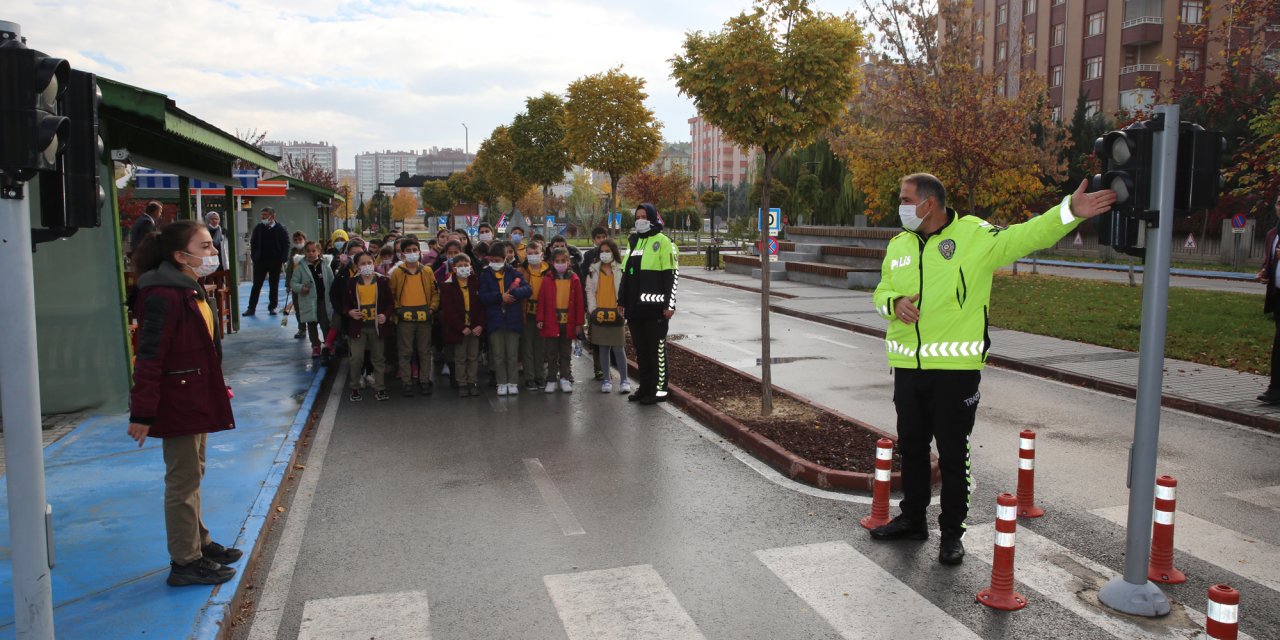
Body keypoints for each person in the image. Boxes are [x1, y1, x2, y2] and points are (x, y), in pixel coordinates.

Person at [869, 173, 1117, 565]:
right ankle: (913, 519)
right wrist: (894, 301)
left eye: (904, 198)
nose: (898, 205)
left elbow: (1027, 235)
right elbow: (880, 290)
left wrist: (1070, 211)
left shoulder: (974, 236)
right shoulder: (898, 244)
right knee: (913, 448)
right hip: (907, 367)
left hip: (955, 370)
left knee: (953, 454)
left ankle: (952, 533)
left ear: (929, 203)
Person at [126, 220, 241, 587]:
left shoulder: (188, 289)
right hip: (179, 401)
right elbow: (149, 356)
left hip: (194, 395)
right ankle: (185, 560)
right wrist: (142, 411)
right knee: (182, 482)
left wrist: (215, 387)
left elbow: (200, 350)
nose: (213, 253)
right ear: (180, 256)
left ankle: (199, 542)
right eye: (205, 246)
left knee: (194, 475)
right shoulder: (163, 295)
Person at [619, 203, 678, 405]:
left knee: (657, 351)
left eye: (644, 216)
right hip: (635, 309)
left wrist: (670, 305)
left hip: (655, 309)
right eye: (637, 216)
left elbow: (671, 276)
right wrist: (621, 301)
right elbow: (626, 274)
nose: (640, 220)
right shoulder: (633, 241)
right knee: (641, 351)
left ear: (652, 217)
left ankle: (659, 391)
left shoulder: (663, 242)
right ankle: (644, 388)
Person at [478, 242, 531, 397]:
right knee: (498, 354)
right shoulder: (485, 275)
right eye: (492, 260)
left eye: (498, 260)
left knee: (512, 354)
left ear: (505, 258)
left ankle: (512, 382)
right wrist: (500, 297)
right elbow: (483, 296)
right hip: (495, 321)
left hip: (512, 320)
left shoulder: (514, 273)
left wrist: (513, 295)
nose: (495, 263)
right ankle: (501, 382)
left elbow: (528, 289)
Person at [389, 239, 440, 397]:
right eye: (408, 250)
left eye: (414, 249)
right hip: (405, 319)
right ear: (403, 253)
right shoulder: (397, 272)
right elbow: (392, 294)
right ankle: (406, 381)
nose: (412, 252)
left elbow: (435, 292)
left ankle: (424, 380)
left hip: (424, 317)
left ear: (419, 251)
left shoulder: (427, 271)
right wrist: (397, 310)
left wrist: (432, 309)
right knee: (405, 352)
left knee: (424, 351)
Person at [341, 252, 392, 402]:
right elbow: (344, 304)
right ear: (357, 266)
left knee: (378, 358)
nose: (367, 266)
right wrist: (349, 312)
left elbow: (390, 303)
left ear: (374, 263)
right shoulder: (352, 283)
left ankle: (380, 388)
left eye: (369, 262)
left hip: (376, 327)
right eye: (362, 263)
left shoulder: (382, 281)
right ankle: (355, 388)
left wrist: (385, 315)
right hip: (358, 328)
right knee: (356, 358)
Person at [586, 238, 630, 394]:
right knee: (603, 349)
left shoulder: (620, 268)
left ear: (614, 252)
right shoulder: (593, 270)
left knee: (619, 348)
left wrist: (623, 308)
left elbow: (626, 289)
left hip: (616, 313)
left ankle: (624, 381)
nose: (604, 254)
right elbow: (589, 291)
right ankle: (606, 379)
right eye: (602, 251)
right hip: (599, 314)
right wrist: (592, 309)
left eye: (608, 251)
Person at [537, 248, 584, 393]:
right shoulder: (547, 279)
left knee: (565, 352)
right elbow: (542, 300)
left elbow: (579, 303)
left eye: (563, 261)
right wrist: (540, 318)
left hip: (568, 323)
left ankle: (564, 378)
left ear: (568, 262)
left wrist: (579, 324)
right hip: (552, 322)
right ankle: (551, 379)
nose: (560, 264)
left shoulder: (574, 279)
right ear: (552, 262)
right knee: (551, 353)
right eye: (557, 261)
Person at [440, 254, 482, 398]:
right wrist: (461, 327)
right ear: (454, 268)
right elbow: (448, 310)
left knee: (473, 356)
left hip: (475, 325)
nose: (464, 268)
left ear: (470, 266)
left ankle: (472, 382)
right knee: (460, 357)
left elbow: (482, 306)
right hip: (459, 328)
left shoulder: (476, 282)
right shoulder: (448, 285)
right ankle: (462, 383)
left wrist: (479, 325)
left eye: (466, 265)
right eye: (460, 265)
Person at [579, 226, 612, 380]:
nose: (601, 240)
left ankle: (608, 367)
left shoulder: (613, 255)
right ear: (593, 240)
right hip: (594, 304)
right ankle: (599, 369)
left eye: (603, 237)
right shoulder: (589, 256)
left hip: (610, 303)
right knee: (597, 337)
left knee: (610, 337)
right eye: (598, 238)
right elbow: (583, 278)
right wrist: (587, 304)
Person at [290, 241, 334, 358]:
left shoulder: (325, 265)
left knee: (325, 323)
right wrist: (301, 288)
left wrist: (333, 295)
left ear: (319, 252)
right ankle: (315, 346)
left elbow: (331, 281)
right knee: (311, 324)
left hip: (323, 301)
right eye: (308, 251)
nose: (311, 253)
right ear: (304, 252)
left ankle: (328, 344)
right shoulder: (300, 267)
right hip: (308, 302)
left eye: (314, 251)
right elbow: (293, 283)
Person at [245, 207, 290, 316]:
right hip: (260, 261)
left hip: (275, 261)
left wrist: (283, 258)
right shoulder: (258, 228)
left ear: (272, 216)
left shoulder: (281, 229)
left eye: (265, 215)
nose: (263, 217)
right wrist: (254, 257)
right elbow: (253, 243)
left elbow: (286, 243)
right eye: (262, 215)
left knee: (274, 284)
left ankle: (272, 307)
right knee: (257, 284)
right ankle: (251, 308)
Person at [1257, 193, 1280, 404]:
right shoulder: (1273, 234)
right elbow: (1269, 260)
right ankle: (1274, 390)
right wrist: (1264, 271)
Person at [519, 240, 550, 390]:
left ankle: (540, 376)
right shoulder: (521, 270)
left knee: (540, 347)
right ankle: (529, 377)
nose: (533, 256)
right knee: (527, 347)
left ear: (542, 254)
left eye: (536, 253)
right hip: (527, 313)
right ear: (526, 255)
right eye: (530, 254)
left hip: (542, 314)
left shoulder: (549, 271)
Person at [285, 231, 309, 337]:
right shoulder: (292, 253)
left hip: (306, 284)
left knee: (309, 307)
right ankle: (302, 328)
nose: (298, 242)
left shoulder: (309, 251)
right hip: (295, 284)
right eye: (295, 240)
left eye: (300, 239)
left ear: (305, 240)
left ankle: (311, 327)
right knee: (298, 308)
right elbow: (289, 270)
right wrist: (288, 284)